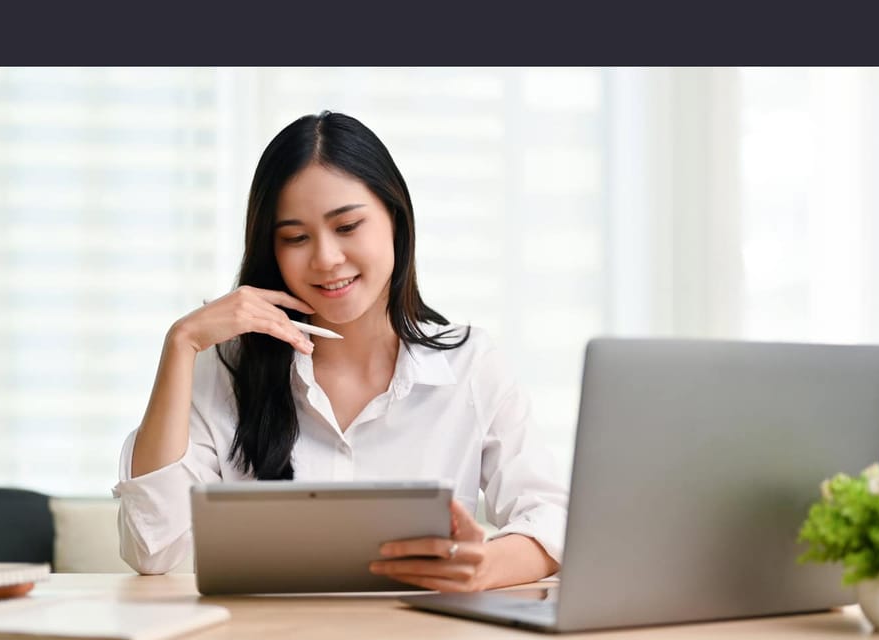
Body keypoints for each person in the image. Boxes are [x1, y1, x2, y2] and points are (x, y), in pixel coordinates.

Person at [113, 111, 568, 591]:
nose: (326, 258)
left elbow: (551, 517)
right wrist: (180, 343)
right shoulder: (225, 367)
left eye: (347, 226)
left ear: (395, 219)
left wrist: (483, 567)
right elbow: (153, 549)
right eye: (296, 237)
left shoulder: (470, 364)